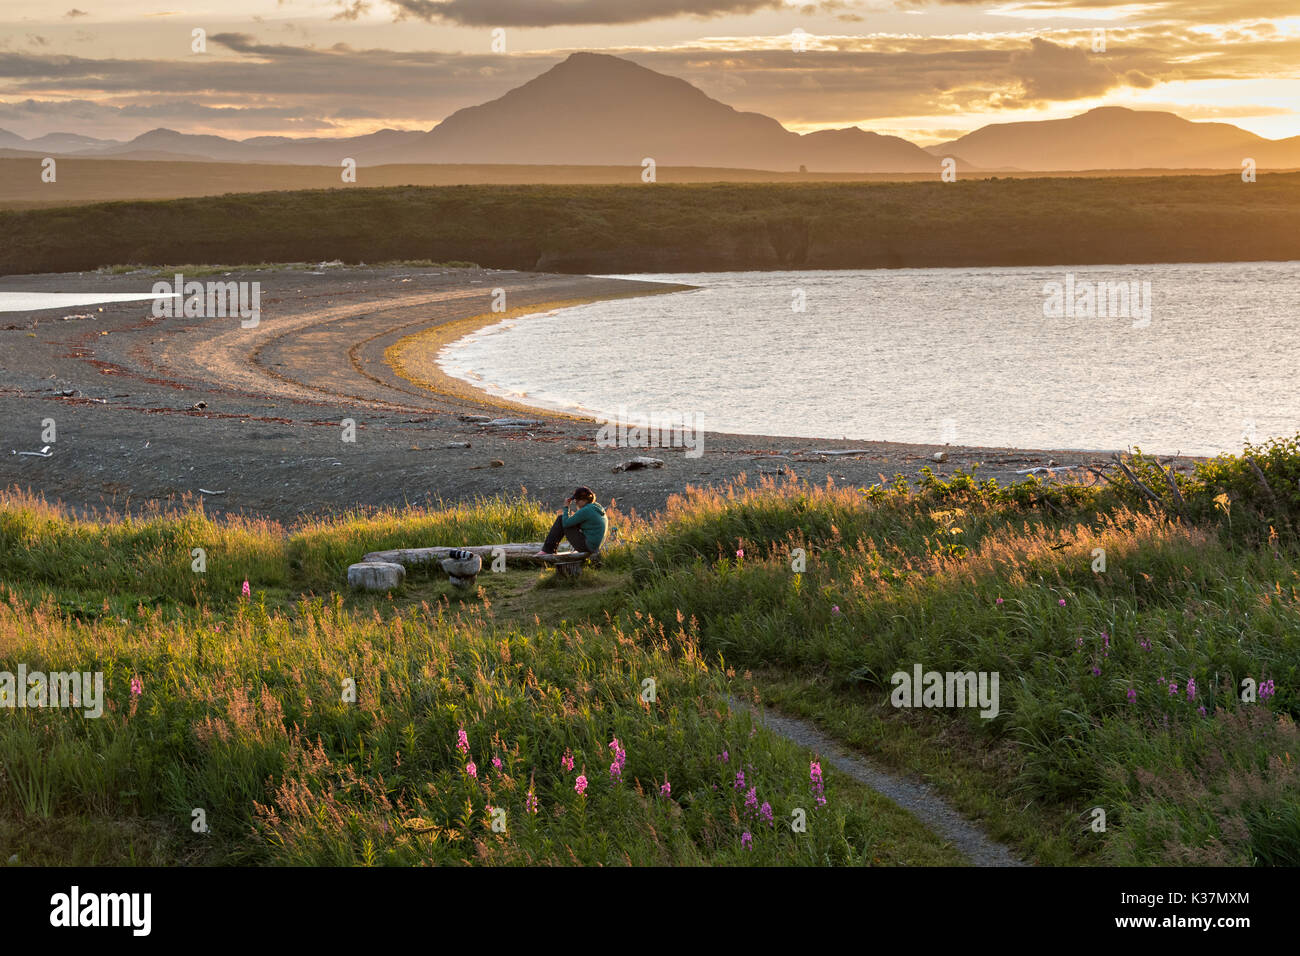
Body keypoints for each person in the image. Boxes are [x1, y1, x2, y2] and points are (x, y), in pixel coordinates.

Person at [535, 486, 607, 556]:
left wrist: (566, 507)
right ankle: (549, 549)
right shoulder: (596, 507)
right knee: (570, 522)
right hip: (595, 546)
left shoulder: (586, 510)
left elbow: (565, 523)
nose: (576, 502)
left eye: (577, 500)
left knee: (561, 519)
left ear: (584, 500)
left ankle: (547, 550)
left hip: (588, 547)